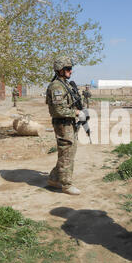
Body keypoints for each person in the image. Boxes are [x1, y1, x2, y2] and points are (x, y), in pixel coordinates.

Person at [46, 56, 85, 195]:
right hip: (63, 124)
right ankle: (66, 185)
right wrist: (76, 112)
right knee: (67, 154)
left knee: (68, 152)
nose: (71, 71)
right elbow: (58, 110)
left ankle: (53, 179)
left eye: (70, 68)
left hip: (69, 123)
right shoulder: (56, 86)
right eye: (68, 69)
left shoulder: (65, 84)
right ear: (60, 70)